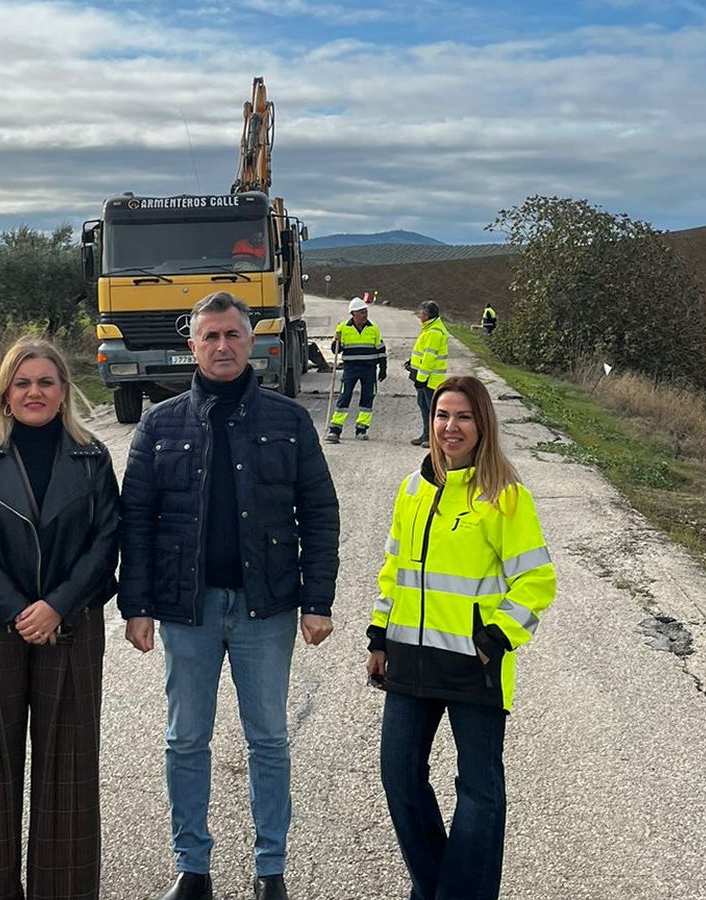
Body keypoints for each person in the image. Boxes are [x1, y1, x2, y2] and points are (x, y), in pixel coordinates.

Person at [119, 291, 340, 900]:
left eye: (232, 336)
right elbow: (135, 519)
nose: (221, 347)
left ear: (252, 341)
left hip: (263, 608)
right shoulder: (160, 424)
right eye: (209, 337)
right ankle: (193, 869)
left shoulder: (287, 420)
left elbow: (319, 511)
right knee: (185, 739)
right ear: (192, 344)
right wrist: (135, 605)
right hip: (185, 609)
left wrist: (317, 599)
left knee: (268, 738)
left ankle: (272, 871)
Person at [366, 375, 556, 900]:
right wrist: (378, 637)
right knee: (399, 778)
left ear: (482, 426)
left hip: (474, 664)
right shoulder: (412, 489)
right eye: (442, 416)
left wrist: (494, 637)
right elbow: (393, 570)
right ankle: (438, 888)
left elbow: (537, 580)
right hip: (409, 659)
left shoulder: (504, 495)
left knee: (478, 791)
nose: (451, 427)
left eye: (463, 417)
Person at [0, 337, 119, 900]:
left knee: (67, 774)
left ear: (64, 390)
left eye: (46, 382)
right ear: (5, 391)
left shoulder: (93, 457)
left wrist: (57, 605)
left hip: (71, 624)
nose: (34, 392)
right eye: (22, 383)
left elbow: (106, 540)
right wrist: (20, 610)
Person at [326, 297, 387, 443]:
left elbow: (381, 350)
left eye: (366, 311)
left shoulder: (373, 328)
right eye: (361, 312)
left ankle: (361, 429)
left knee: (367, 398)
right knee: (344, 396)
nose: (365, 314)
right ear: (353, 313)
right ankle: (335, 430)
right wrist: (336, 341)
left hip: (369, 369)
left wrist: (383, 368)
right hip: (350, 369)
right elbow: (335, 351)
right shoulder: (343, 328)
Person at [404, 300, 450, 447]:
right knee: (423, 405)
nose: (419, 316)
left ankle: (435, 439)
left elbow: (430, 358)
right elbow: (423, 352)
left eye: (421, 313)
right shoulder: (429, 328)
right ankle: (426, 435)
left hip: (431, 379)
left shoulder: (434, 332)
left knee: (432, 409)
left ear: (427, 315)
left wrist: (421, 378)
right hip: (425, 377)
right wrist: (412, 362)